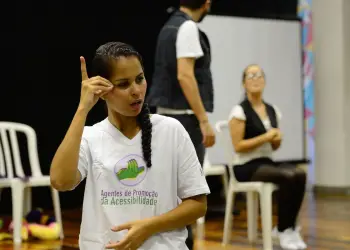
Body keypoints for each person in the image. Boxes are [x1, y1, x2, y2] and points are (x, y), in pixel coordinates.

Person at [49, 42, 210, 250]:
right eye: (124, 84)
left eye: (140, 79)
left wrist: (148, 227)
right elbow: (60, 181)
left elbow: (198, 205)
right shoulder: (91, 136)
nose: (136, 91)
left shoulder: (171, 130)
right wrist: (83, 108)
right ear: (103, 90)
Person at [146, 1, 215, 246]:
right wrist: (204, 120)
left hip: (168, 116)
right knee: (189, 196)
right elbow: (185, 75)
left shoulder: (169, 26)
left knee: (172, 192)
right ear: (206, 4)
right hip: (184, 119)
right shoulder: (187, 28)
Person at [228, 64, 307, 250]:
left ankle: (289, 227)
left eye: (259, 75)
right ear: (243, 83)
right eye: (250, 75)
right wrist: (266, 136)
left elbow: (274, 146)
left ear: (264, 81)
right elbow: (238, 146)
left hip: (266, 163)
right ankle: (283, 229)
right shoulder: (239, 111)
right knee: (287, 176)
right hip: (245, 165)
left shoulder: (272, 110)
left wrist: (277, 139)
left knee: (299, 174)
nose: (255, 78)